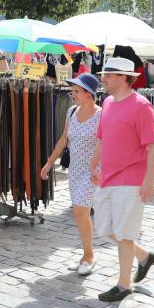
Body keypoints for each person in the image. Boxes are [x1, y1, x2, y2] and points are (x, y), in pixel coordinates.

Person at [90, 57, 154, 302]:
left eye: (108, 75)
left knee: (124, 232)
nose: (103, 79)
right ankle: (143, 256)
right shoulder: (107, 102)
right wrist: (94, 163)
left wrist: (148, 181)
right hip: (107, 177)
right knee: (103, 227)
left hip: (131, 178)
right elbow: (101, 137)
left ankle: (123, 285)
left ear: (123, 77)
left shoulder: (141, 106)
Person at [40, 73, 101, 276]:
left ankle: (89, 257)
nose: (72, 94)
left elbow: (107, 143)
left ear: (89, 94)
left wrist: (98, 167)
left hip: (92, 171)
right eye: (73, 91)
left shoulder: (101, 115)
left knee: (81, 212)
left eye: (76, 91)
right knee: (79, 213)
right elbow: (64, 139)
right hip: (74, 171)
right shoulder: (72, 112)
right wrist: (49, 163)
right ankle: (86, 255)